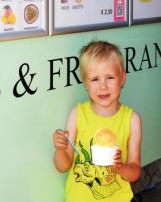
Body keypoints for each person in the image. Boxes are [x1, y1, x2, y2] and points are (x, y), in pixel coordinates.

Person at [53, 41, 142, 201]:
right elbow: (63, 166)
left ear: (122, 78)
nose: (103, 86)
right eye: (95, 79)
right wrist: (60, 149)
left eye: (110, 77)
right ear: (86, 83)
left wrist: (120, 168)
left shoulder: (131, 119)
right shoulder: (77, 113)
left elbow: (135, 172)